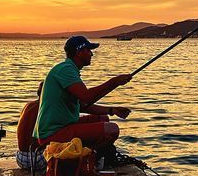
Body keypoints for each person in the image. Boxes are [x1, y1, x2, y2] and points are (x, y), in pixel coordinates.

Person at [34, 35, 132, 168]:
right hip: (53, 133)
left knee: (104, 118)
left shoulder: (69, 70)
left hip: (64, 126)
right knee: (112, 129)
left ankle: (85, 157)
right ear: (79, 52)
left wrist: (111, 110)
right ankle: (85, 159)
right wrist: (114, 82)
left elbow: (83, 105)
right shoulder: (65, 69)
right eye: (88, 50)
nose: (92, 54)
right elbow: (87, 97)